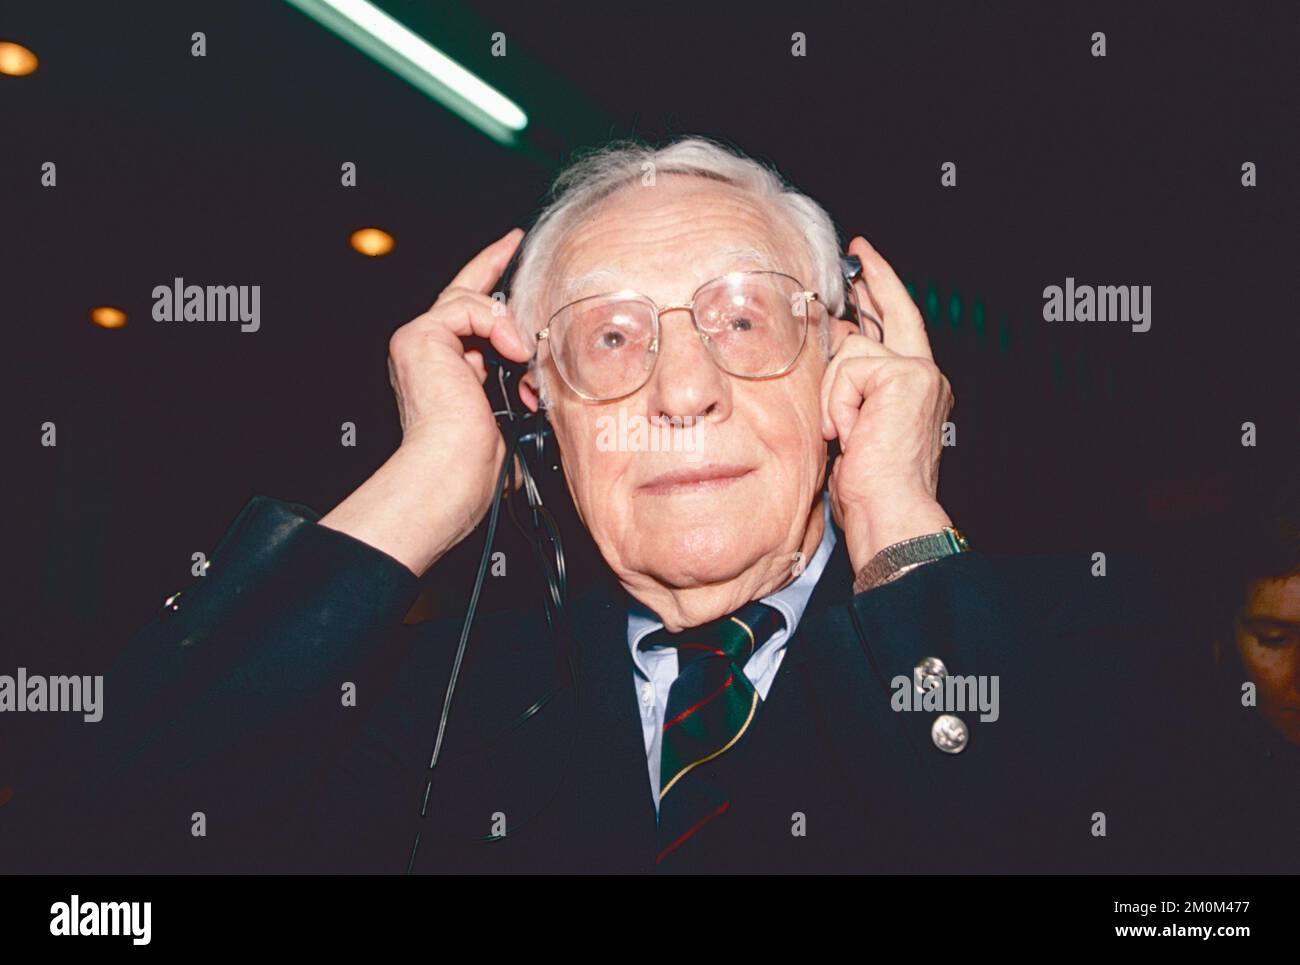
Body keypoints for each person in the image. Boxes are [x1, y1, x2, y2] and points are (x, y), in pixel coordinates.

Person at [2, 137, 1197, 873]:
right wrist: (421, 485)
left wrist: (895, 516)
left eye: (743, 319)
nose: (679, 390)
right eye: (608, 338)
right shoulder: (416, 709)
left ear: (852, 357)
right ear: (535, 408)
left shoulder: (1106, 647)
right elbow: (80, 857)